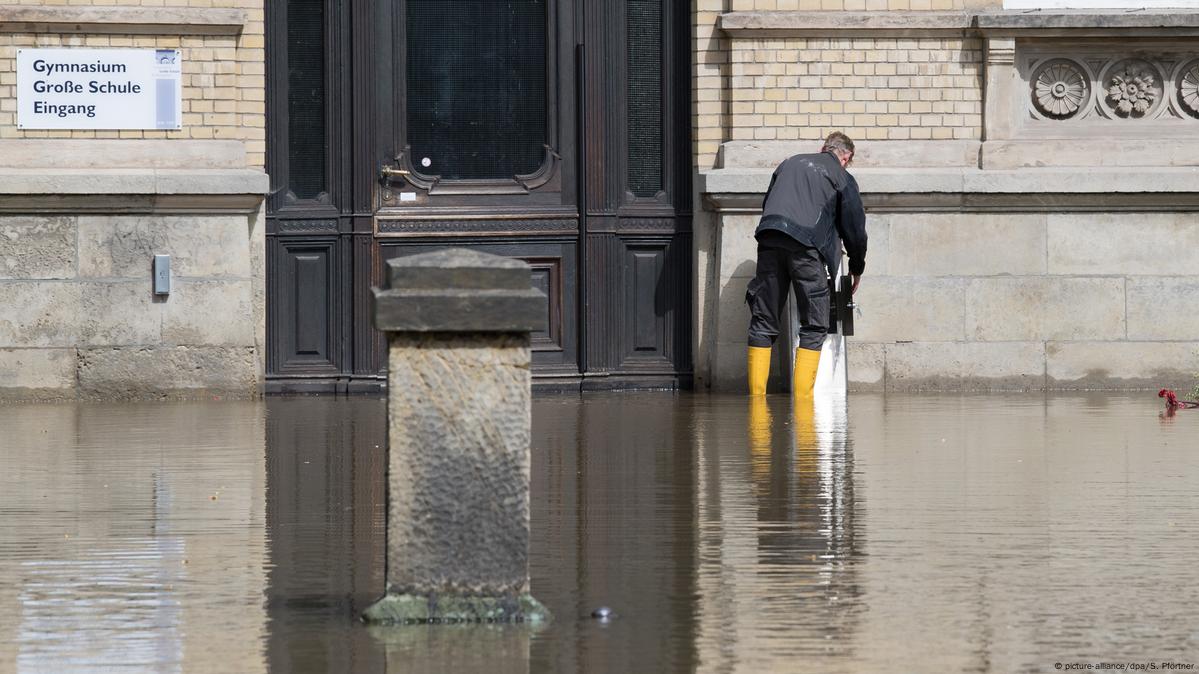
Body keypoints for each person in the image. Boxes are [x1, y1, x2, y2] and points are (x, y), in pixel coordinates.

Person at [745, 131, 867, 397]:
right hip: (806, 248)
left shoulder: (789, 163)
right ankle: (803, 409)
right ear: (846, 156)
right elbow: (855, 230)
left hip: (770, 238)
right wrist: (857, 267)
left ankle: (756, 407)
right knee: (814, 324)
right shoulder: (842, 177)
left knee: (763, 321)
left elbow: (769, 204)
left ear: (823, 148)